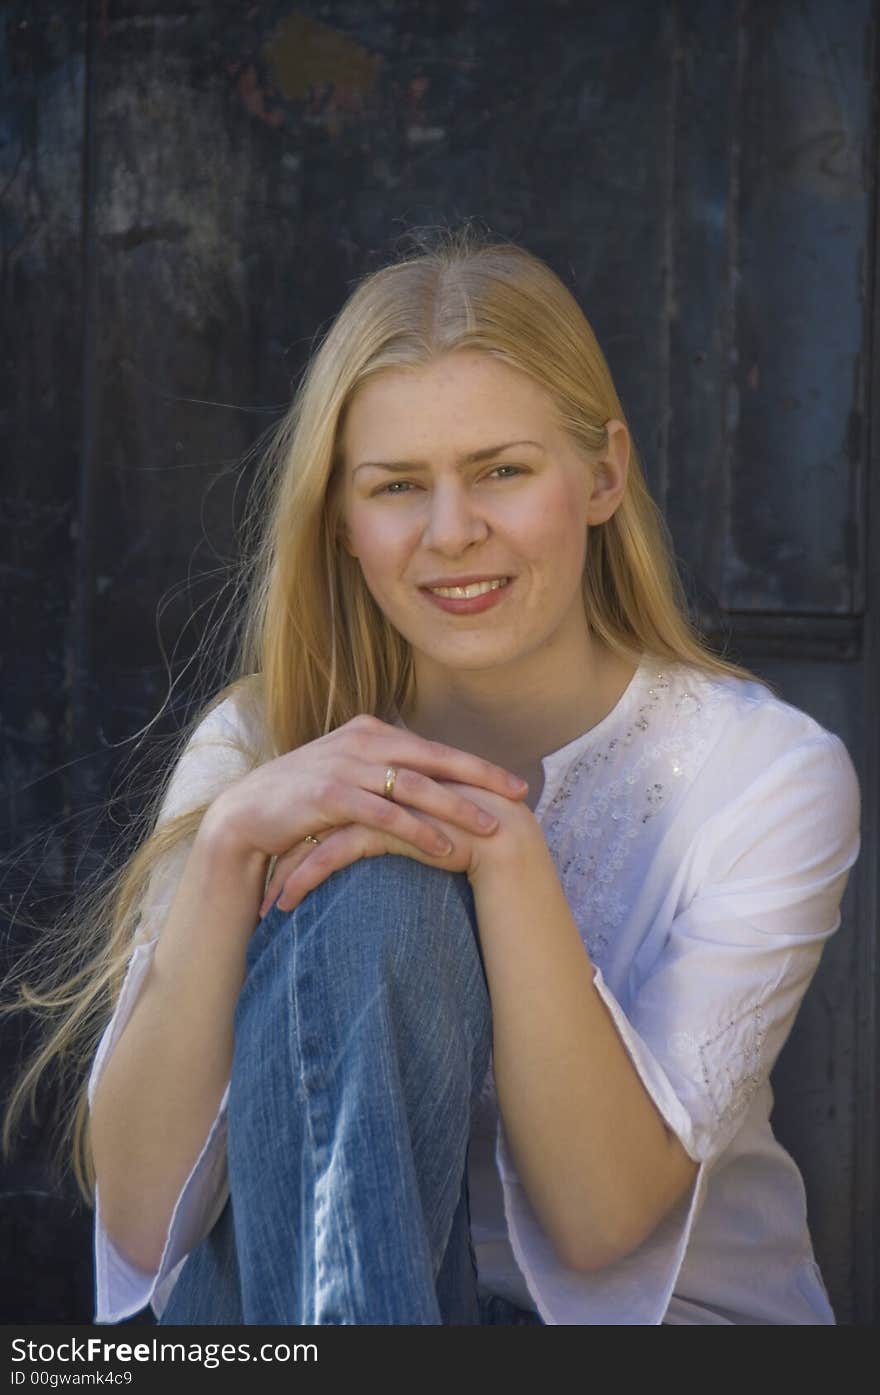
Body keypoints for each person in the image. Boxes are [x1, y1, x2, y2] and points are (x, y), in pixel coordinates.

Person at [2, 226, 860, 1326]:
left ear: (601, 475)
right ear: (343, 524)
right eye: (397, 486)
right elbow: (136, 1218)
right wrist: (225, 852)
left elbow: (600, 1226)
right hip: (292, 1302)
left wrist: (501, 858)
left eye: (501, 470)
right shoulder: (262, 740)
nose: (452, 533)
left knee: (383, 890)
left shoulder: (763, 774)